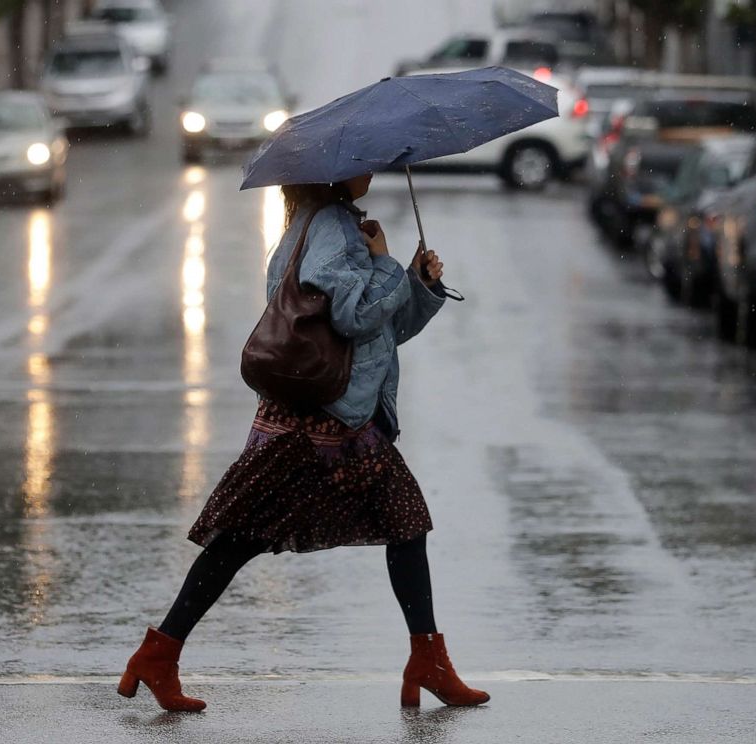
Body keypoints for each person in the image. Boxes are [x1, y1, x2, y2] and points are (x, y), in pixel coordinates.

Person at [117, 173, 489, 711]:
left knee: (252, 537)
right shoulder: (333, 228)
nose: (371, 172)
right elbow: (353, 314)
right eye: (363, 164)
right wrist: (386, 265)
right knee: (389, 525)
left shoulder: (315, 226)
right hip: (329, 421)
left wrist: (416, 283)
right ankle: (426, 662)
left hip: (318, 414)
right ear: (337, 174)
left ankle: (160, 654)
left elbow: (375, 333)